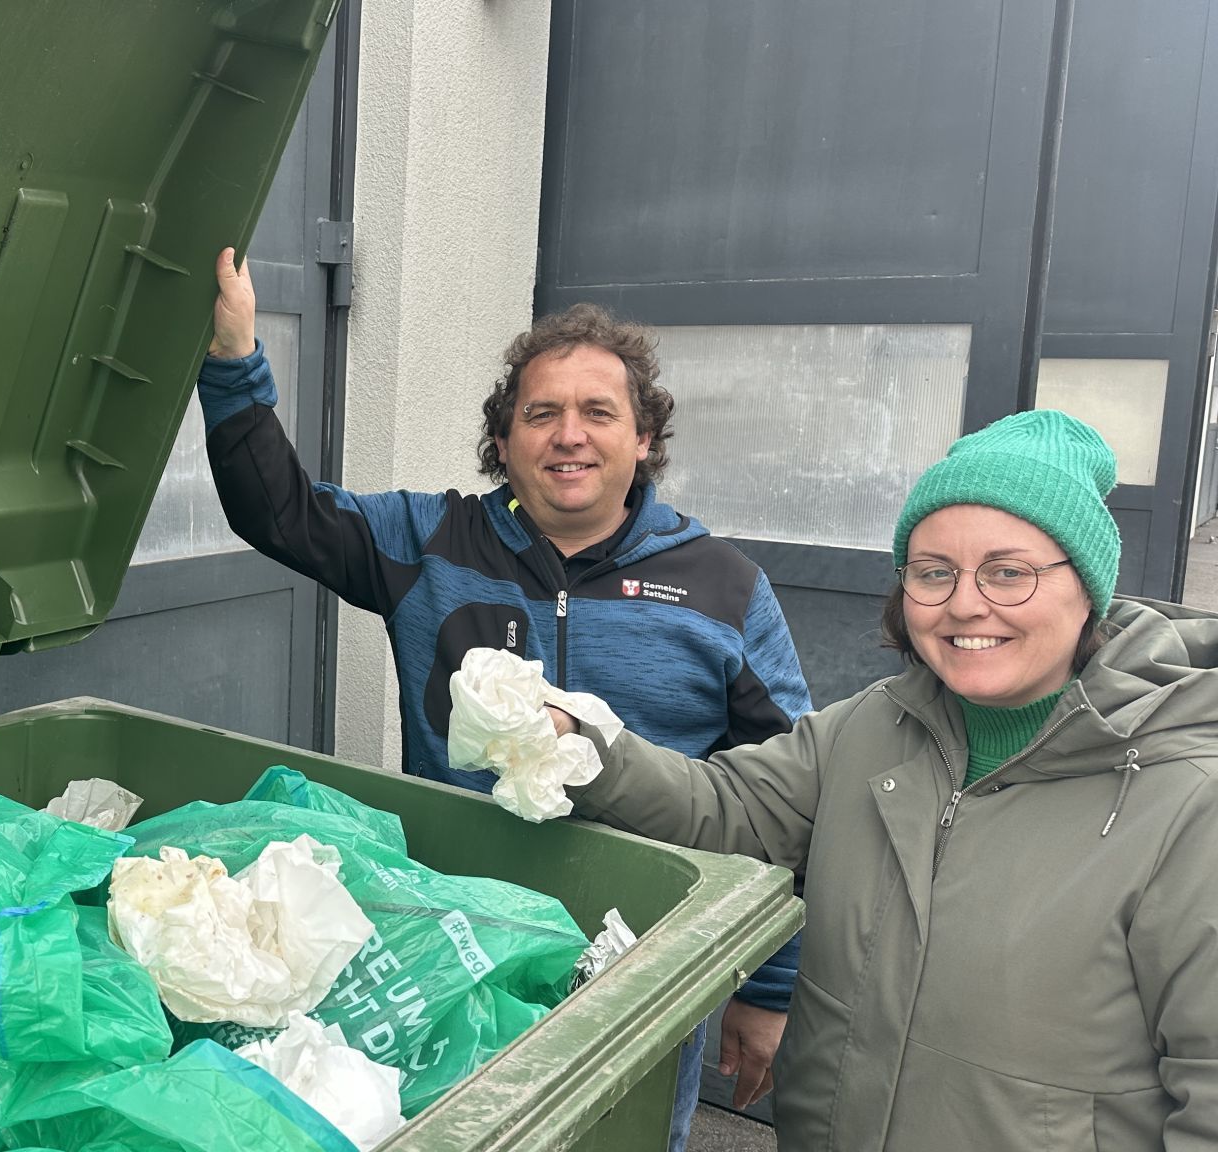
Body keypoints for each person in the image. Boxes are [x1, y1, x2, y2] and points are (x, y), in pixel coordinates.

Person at [197, 248, 809, 1146]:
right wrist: (234, 361)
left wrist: (768, 987)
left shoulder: (723, 586)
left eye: (599, 412)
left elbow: (785, 800)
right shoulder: (431, 539)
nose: (569, 434)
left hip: (638, 963)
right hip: (456, 944)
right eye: (541, 413)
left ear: (643, 439)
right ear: (505, 441)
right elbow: (277, 511)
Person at [549, 410, 1218, 1150]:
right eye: (934, 572)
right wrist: (580, 743)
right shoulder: (877, 724)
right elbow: (728, 804)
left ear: (1087, 586)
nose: (965, 603)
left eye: (1008, 572)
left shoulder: (1188, 800)